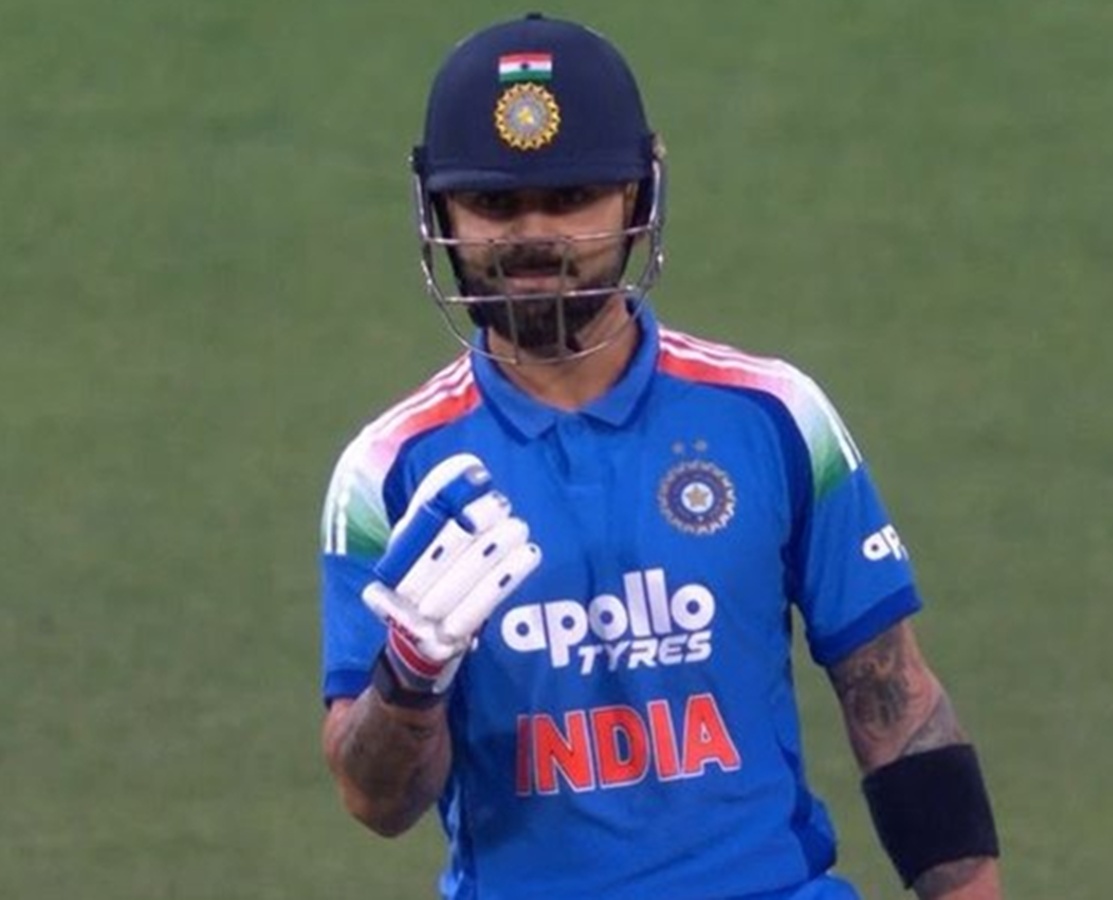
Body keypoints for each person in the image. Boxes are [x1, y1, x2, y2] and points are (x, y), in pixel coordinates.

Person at [318, 13, 1002, 900]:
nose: (533, 236)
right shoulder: (389, 473)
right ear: (438, 211)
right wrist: (409, 679)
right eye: (493, 204)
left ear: (636, 201)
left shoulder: (774, 416)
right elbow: (376, 803)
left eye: (572, 198)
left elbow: (895, 704)